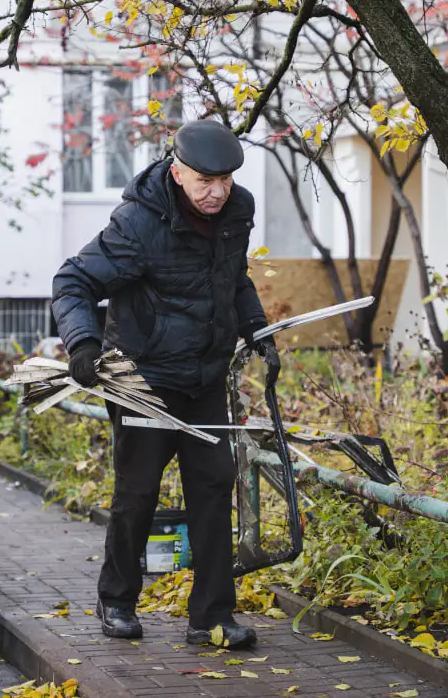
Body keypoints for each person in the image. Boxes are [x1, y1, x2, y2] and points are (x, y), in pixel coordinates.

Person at [52, 119, 281, 650]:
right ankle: (117, 601)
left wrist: (259, 331)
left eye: (224, 179)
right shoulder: (138, 223)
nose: (216, 190)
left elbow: (234, 278)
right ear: (177, 172)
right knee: (137, 493)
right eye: (204, 179)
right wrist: (83, 344)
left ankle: (211, 617)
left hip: (203, 377)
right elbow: (73, 281)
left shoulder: (236, 212)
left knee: (213, 486)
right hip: (144, 380)